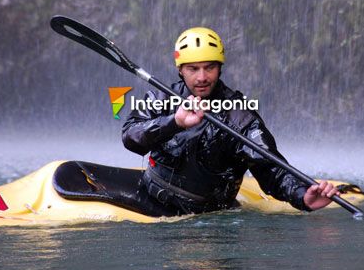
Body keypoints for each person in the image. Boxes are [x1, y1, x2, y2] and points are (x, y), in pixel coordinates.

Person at [122, 27, 339, 215]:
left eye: (209, 67)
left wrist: (302, 196)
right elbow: (131, 137)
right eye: (193, 68)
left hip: (204, 215)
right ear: (180, 69)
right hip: (151, 200)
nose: (202, 77)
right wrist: (174, 122)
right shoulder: (161, 98)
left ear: (220, 67)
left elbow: (272, 169)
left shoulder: (240, 117)